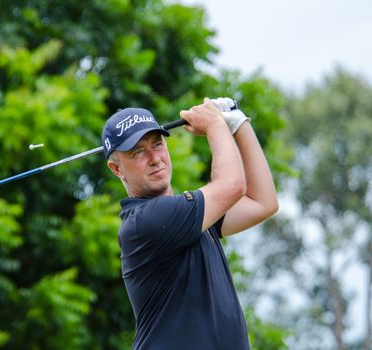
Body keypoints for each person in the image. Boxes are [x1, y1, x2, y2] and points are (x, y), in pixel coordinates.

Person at [101, 97, 278, 350]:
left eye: (157, 144)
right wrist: (216, 125)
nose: (154, 158)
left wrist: (239, 124)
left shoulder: (191, 217)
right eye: (138, 152)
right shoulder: (145, 221)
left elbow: (263, 202)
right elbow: (232, 186)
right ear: (117, 169)